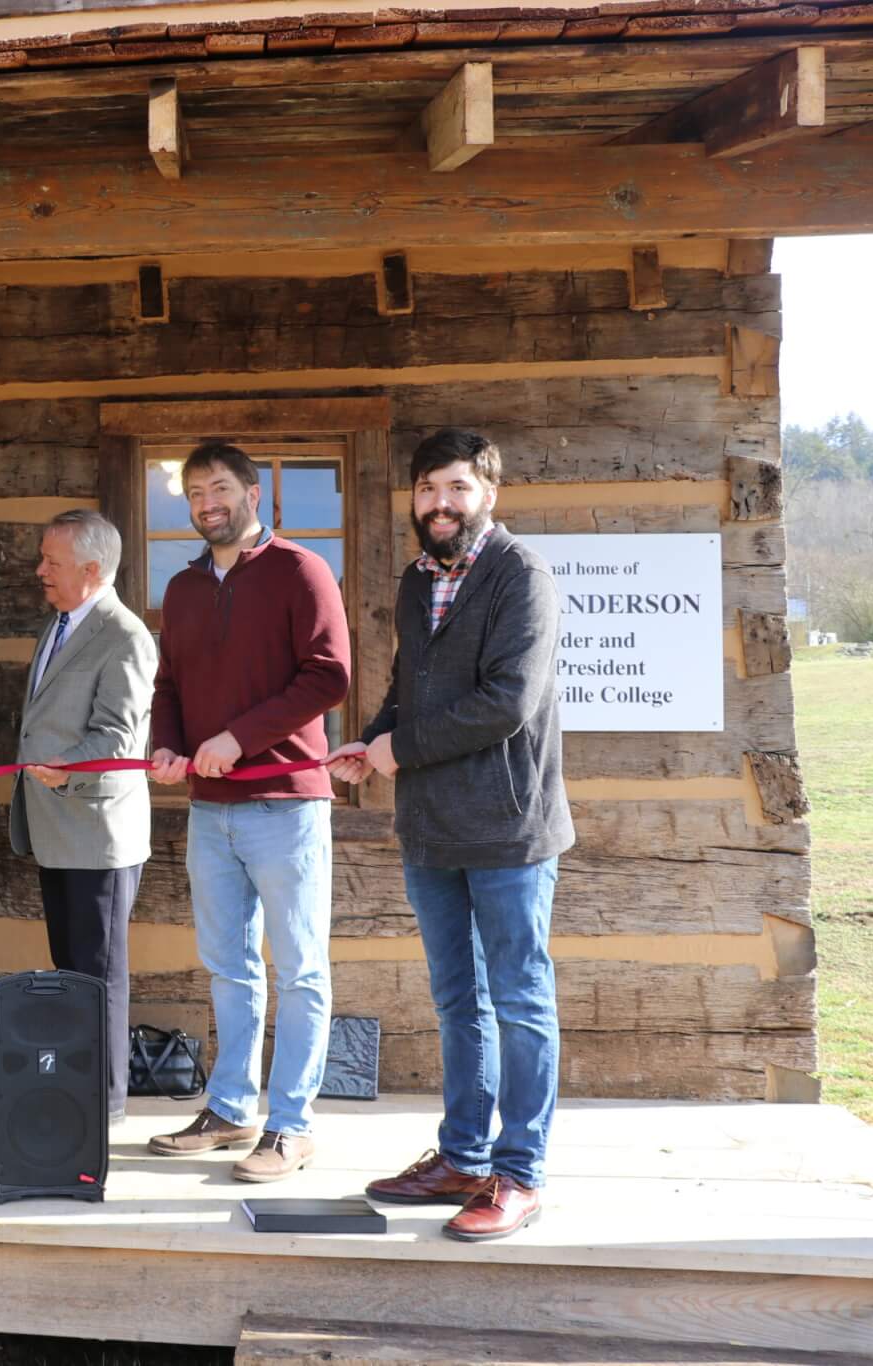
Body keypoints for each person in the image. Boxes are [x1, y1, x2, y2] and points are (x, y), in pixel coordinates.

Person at [328, 427, 571, 1242]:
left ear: (489, 494)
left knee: (521, 1002)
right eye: (428, 488)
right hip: (430, 825)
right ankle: (463, 1157)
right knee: (458, 1002)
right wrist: (375, 738)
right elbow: (411, 684)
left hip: (508, 828)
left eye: (458, 488)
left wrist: (405, 747)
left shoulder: (521, 577)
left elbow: (508, 701)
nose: (440, 504)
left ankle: (518, 1174)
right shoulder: (415, 579)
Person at [146, 441, 350, 1182]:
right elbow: (167, 687)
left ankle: (291, 1125)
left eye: (221, 488)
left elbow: (330, 675)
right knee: (229, 968)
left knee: (298, 970)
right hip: (210, 809)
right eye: (196, 492)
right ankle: (231, 1109)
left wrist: (238, 738)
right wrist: (169, 748)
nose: (207, 503)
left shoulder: (301, 570)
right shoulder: (183, 588)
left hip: (287, 807)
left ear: (254, 495)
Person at [10, 509, 157, 1123]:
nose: (40, 570)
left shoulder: (124, 636)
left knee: (97, 973)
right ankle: (79, 1089)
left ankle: (105, 1102)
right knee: (73, 970)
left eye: (52, 561)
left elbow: (119, 738)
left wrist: (67, 764)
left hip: (96, 833)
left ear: (92, 571)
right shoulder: (62, 623)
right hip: (56, 826)